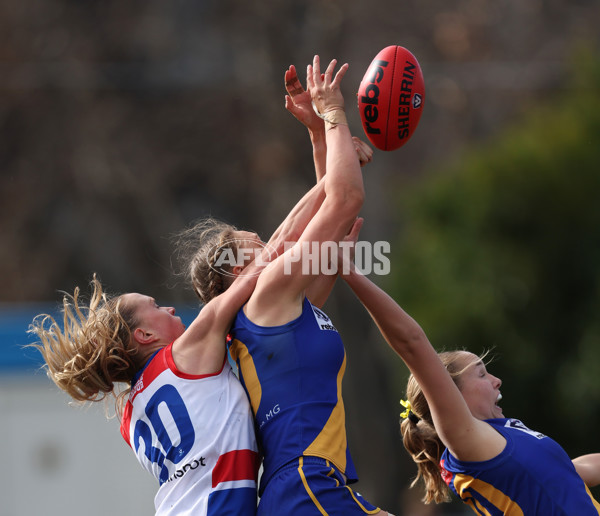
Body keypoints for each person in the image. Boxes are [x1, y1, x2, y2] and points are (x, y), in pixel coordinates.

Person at [178, 55, 390, 516]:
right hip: (306, 482)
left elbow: (329, 216)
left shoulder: (277, 312)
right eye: (251, 241)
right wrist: (334, 113)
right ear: (236, 271)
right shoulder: (268, 295)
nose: (264, 239)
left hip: (305, 486)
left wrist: (319, 135)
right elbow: (345, 197)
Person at [338, 248, 600, 515]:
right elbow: (412, 343)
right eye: (482, 374)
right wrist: (351, 273)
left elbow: (577, 471)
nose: (497, 381)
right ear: (452, 395)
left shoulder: (508, 436)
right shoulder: (470, 443)